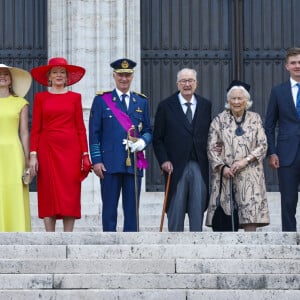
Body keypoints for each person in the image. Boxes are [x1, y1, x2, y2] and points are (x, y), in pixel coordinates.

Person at [89, 58, 152, 232]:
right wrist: (96, 160)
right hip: (109, 162)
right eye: (120, 75)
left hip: (134, 161)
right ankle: (109, 241)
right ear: (114, 76)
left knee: (132, 209)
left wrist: (142, 142)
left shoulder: (141, 102)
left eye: (128, 75)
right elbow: (94, 133)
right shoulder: (102, 100)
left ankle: (131, 244)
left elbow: (148, 129)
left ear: (132, 77)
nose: (124, 79)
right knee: (109, 208)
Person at [29, 57, 92, 232]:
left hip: (71, 151)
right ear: (49, 76)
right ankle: (50, 236)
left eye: (62, 72)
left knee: (70, 192)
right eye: (55, 72)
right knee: (48, 191)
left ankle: (68, 236)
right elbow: (35, 129)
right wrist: (33, 155)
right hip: (46, 149)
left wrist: (85, 154)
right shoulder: (40, 97)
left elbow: (80, 128)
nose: (58, 75)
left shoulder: (75, 98)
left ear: (67, 77)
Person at [205, 80, 270, 231]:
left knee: (250, 216)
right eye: (233, 98)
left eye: (240, 98)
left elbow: (263, 145)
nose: (236, 102)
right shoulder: (218, 120)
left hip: (250, 175)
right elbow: (211, 147)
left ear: (246, 100)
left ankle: (250, 251)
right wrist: (222, 168)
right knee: (226, 218)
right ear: (228, 101)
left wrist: (245, 161)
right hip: (226, 175)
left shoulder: (255, 118)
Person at [152, 68, 211, 232]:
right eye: (183, 81)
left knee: (198, 205)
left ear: (196, 84)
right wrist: (164, 160)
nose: (187, 84)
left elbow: (210, 133)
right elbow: (157, 138)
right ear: (177, 84)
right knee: (176, 206)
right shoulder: (165, 106)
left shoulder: (206, 105)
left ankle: (196, 244)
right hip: (175, 166)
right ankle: (174, 243)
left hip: (199, 163)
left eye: (190, 80)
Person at [265, 47, 300, 232]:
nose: (297, 66)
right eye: (293, 63)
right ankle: (289, 238)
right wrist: (272, 152)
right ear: (287, 66)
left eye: (299, 62)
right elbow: (269, 125)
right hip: (287, 154)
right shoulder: (278, 91)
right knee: (288, 199)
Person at [0, 63, 32, 232]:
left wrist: (27, 158)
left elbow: (24, 132)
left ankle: (16, 228)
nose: (2, 76)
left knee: (13, 190)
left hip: (13, 151)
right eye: (0, 73)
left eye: (6, 74)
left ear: (11, 79)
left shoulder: (21, 102)